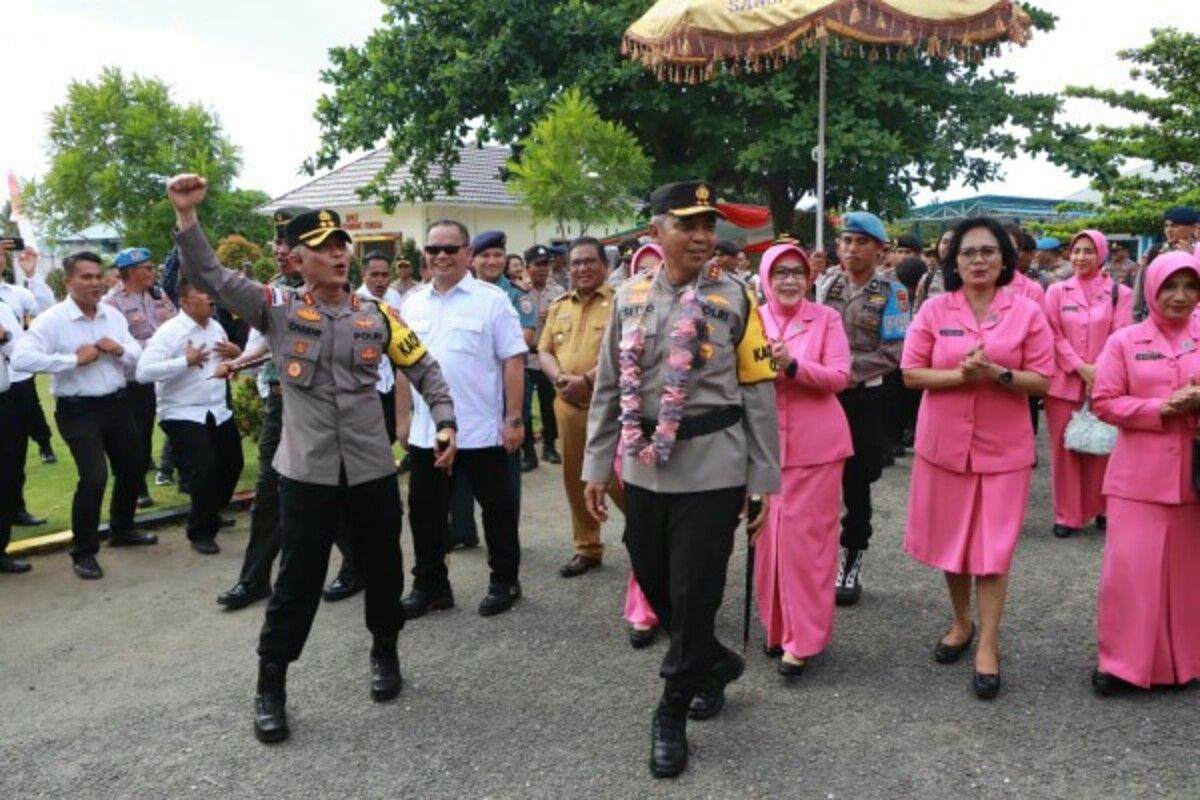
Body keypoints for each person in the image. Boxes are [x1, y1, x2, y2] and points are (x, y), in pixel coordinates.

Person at [167, 174, 456, 744]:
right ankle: (270, 684)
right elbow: (212, 276)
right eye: (324, 249)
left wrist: (444, 419)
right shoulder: (275, 309)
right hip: (306, 474)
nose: (339, 255)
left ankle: (385, 651)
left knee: (383, 569)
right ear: (297, 261)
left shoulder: (378, 316)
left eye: (341, 246)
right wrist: (186, 218)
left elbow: (424, 368)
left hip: (371, 469)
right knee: (297, 579)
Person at [582, 180, 779, 779]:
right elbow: (608, 386)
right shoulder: (629, 296)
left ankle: (670, 711)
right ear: (655, 232)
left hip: (714, 465)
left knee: (695, 592)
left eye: (707, 225)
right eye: (687, 224)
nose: (700, 236)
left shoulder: (738, 299)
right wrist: (597, 464)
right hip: (644, 467)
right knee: (654, 578)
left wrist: (763, 477)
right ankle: (712, 663)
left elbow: (759, 392)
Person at [901, 217, 1055, 701]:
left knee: (993, 549)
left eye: (989, 252)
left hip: (1003, 447)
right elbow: (910, 373)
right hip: (944, 443)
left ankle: (988, 643)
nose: (979, 261)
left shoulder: (1027, 311)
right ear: (953, 261)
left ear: (1005, 259)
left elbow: (1044, 380)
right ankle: (961, 621)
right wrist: (960, 377)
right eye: (969, 253)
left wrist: (998, 373)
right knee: (954, 541)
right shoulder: (933, 309)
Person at [216, 206, 362, 611]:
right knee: (269, 491)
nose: (279, 250)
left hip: (324, 407)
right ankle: (254, 578)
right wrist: (239, 362)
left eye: (286, 242)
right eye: (277, 242)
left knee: (331, 490)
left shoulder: (340, 290)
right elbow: (268, 342)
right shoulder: (275, 291)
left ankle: (357, 564)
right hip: (281, 402)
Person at [400, 219, 527, 620]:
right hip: (427, 432)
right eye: (433, 249)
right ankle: (431, 585)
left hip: (480, 430)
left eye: (450, 249)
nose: (441, 256)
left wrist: (514, 418)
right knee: (424, 512)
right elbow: (403, 366)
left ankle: (504, 580)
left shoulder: (491, 300)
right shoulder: (412, 302)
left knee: (498, 510)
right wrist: (402, 417)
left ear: (467, 254)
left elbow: (513, 360)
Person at [1091, 251, 1200, 694]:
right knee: (1130, 573)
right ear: (1151, 289)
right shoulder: (1124, 340)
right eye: (1170, 286)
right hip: (1137, 478)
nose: (1180, 296)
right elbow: (1104, 402)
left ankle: (1186, 662)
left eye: (1190, 286)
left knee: (1188, 575)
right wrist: (1161, 408)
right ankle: (1122, 664)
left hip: (1194, 478)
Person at [12, 252, 157, 579]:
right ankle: (84, 551)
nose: (94, 283)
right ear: (68, 282)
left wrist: (120, 350)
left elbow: (137, 353)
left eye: (97, 276)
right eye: (85, 277)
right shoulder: (53, 320)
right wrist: (72, 360)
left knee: (133, 467)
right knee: (94, 477)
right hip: (78, 410)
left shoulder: (112, 316)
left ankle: (122, 529)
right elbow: (21, 358)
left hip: (117, 403)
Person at [753, 242, 852, 677]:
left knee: (805, 545)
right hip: (764, 444)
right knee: (767, 539)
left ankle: (804, 637)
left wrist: (793, 367)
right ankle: (775, 628)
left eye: (797, 272)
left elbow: (839, 376)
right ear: (766, 277)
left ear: (809, 278)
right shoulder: (752, 318)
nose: (790, 280)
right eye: (781, 273)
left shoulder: (826, 318)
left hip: (817, 449)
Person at [819, 211, 911, 605]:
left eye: (860, 242)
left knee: (857, 481)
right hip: (824, 396)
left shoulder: (894, 293)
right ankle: (818, 558)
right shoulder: (826, 285)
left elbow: (893, 353)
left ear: (878, 249)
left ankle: (852, 556)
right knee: (818, 479)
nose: (851, 249)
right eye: (846, 241)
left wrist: (843, 371)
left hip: (863, 398)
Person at [135, 276, 244, 554]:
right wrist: (186, 361)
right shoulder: (170, 332)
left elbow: (226, 365)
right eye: (202, 292)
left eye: (211, 292)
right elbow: (143, 372)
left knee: (233, 463)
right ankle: (200, 531)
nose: (210, 298)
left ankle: (211, 509)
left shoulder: (217, 326)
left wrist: (236, 356)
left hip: (216, 408)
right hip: (181, 410)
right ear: (183, 301)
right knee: (205, 465)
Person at [537, 237, 620, 578]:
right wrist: (559, 378)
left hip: (609, 407)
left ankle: (645, 537)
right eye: (576, 263)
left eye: (590, 262)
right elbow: (543, 350)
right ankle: (587, 547)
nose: (583, 268)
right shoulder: (559, 306)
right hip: (567, 407)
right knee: (575, 478)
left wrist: (586, 379)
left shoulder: (621, 303)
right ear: (567, 268)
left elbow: (624, 351)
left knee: (618, 478)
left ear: (605, 266)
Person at [1043, 229, 1133, 538]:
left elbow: (1121, 335)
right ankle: (1066, 513)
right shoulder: (1056, 291)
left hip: (1106, 382)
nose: (1081, 257)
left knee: (1104, 445)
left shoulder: (1120, 292)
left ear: (1102, 254)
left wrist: (1101, 371)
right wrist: (1080, 367)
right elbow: (1052, 335)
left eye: (1088, 251)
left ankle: (1104, 508)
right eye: (1076, 251)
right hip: (1063, 383)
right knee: (1064, 449)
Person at [104, 246, 178, 509]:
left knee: (145, 434)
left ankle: (149, 476)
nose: (153, 271)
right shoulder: (112, 303)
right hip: (130, 380)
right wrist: (156, 347)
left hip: (159, 376)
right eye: (148, 268)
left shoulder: (158, 294)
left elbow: (175, 323)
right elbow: (117, 342)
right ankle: (137, 488)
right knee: (131, 437)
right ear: (132, 273)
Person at [0, 244, 53, 528]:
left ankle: (14, 508)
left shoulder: (14, 295)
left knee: (13, 452)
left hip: (16, 382)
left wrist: (32, 274)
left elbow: (46, 311)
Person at [0, 298, 33, 573]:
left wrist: (4, 336)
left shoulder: (1, 307)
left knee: (6, 475)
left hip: (4, 400)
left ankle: (0, 551)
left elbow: (20, 355)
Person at [523, 244, 564, 466]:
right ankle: (528, 453)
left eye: (546, 264)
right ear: (527, 267)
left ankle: (549, 446)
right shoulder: (519, 292)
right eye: (538, 265)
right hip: (526, 360)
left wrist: (553, 320)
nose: (543, 269)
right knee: (525, 408)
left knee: (550, 406)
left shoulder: (558, 293)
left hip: (548, 359)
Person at [1132, 206, 1199, 323]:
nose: (1169, 230)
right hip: (1156, 318)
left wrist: (1191, 258)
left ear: (1194, 228)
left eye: (1175, 226)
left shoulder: (1197, 252)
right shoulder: (1155, 251)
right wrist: (1136, 316)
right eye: (1166, 226)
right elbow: (1140, 285)